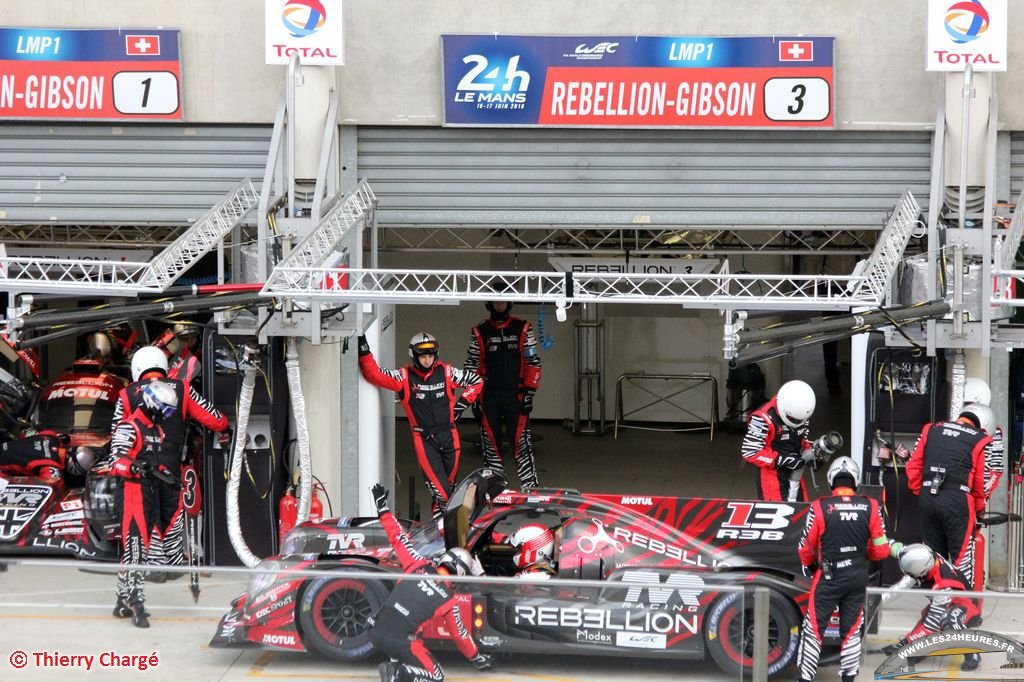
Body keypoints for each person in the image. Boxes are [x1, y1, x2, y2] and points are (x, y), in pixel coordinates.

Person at [111, 345, 229, 580]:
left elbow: (117, 434)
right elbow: (214, 418)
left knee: (147, 514)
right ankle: (174, 563)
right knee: (173, 513)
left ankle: (153, 565)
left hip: (140, 469)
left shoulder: (127, 395)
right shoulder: (182, 389)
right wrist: (225, 427)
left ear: (136, 369)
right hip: (172, 467)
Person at [367, 483, 494, 682]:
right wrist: (476, 657)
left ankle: (396, 665)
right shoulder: (448, 600)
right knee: (436, 677)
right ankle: (397, 672)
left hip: (375, 631)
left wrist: (383, 509)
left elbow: (398, 537)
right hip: (401, 641)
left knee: (405, 639)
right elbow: (460, 635)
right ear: (460, 574)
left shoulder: (417, 564)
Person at [358, 333, 482, 521]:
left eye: (430, 355)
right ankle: (459, 531)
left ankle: (439, 536)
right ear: (413, 355)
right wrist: (363, 347)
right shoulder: (403, 377)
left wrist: (462, 405)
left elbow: (477, 381)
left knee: (446, 491)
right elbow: (374, 374)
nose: (427, 360)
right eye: (423, 356)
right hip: (424, 441)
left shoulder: (448, 372)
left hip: (450, 437)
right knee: (444, 495)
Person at [795, 457, 892, 682]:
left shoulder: (819, 506)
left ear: (831, 481)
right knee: (851, 631)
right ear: (856, 481)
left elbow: (805, 548)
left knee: (813, 631)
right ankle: (848, 678)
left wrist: (811, 566)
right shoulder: (871, 506)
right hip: (857, 576)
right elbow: (882, 551)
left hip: (828, 577)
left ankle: (804, 679)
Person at [105, 380, 180, 628]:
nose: (168, 415)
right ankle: (136, 601)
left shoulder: (156, 430)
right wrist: (134, 467)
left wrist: (166, 476)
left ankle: (120, 599)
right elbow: (115, 461)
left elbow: (151, 462)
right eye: (166, 410)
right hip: (131, 493)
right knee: (136, 550)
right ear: (152, 403)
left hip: (149, 493)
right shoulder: (129, 427)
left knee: (139, 549)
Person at [906, 403, 991, 585]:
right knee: (962, 560)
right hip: (958, 500)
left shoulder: (931, 429)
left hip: (928, 496)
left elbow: (913, 466)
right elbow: (979, 485)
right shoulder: (980, 439)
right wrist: (978, 512)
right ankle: (963, 608)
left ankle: (934, 608)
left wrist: (921, 491)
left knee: (932, 559)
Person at [465, 301, 543, 488]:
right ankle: (495, 491)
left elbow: (533, 361)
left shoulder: (523, 328)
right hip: (488, 397)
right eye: (496, 300)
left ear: (510, 302)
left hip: (515, 396)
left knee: (522, 445)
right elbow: (471, 365)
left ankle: (531, 492)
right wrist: (472, 398)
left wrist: (529, 392)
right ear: (488, 303)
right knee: (491, 447)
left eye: (503, 299)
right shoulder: (479, 331)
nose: (499, 304)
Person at [880, 543, 981, 671]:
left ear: (921, 571)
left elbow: (932, 624)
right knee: (926, 614)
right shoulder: (928, 557)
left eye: (911, 574)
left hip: (965, 605)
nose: (909, 577)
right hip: (948, 601)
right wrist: (877, 601)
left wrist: (905, 643)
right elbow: (901, 583)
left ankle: (973, 653)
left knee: (947, 620)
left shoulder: (943, 584)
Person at [741, 379, 818, 501]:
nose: (798, 423)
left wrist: (812, 454)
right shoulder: (763, 418)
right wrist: (782, 460)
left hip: (795, 474)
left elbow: (803, 439)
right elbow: (750, 452)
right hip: (771, 478)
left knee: (801, 513)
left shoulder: (801, 413)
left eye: (801, 420)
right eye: (794, 419)